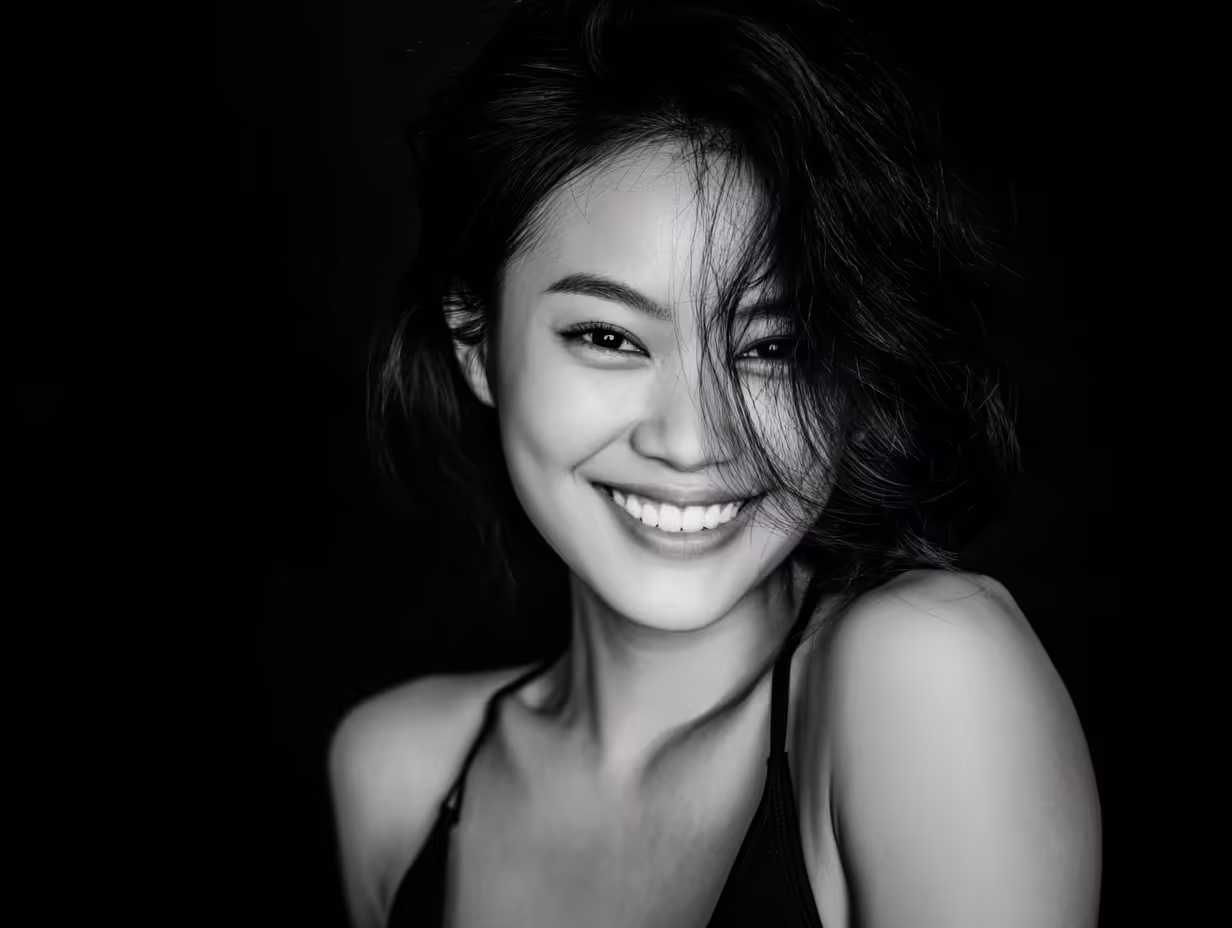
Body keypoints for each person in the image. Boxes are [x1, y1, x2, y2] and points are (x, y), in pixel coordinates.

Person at [328, 1, 1102, 925]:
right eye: (609, 337)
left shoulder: (930, 675)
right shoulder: (395, 778)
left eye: (771, 347)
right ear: (476, 341)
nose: (693, 441)